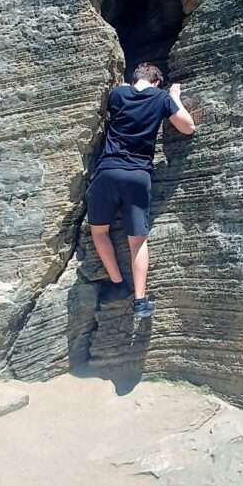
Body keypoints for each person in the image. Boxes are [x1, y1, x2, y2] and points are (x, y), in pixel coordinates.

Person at [86, 62, 196, 318]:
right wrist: (174, 98)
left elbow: (123, 90)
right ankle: (140, 301)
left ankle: (116, 283)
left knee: (99, 232)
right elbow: (188, 127)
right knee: (137, 241)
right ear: (158, 82)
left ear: (135, 78)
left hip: (108, 172)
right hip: (138, 175)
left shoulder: (118, 94)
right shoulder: (160, 98)